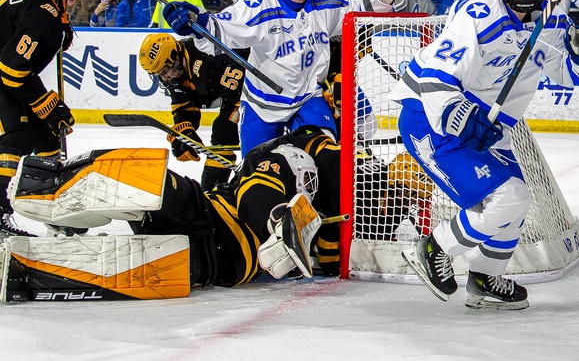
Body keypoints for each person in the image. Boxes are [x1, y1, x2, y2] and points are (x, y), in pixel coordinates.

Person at [391, 0, 579, 310]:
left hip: (489, 128)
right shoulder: (477, 14)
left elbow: (570, 74)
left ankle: (485, 277)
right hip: (431, 117)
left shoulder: (553, 22)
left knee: (516, 201)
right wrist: (457, 115)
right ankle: (436, 246)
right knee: (508, 197)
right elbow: (436, 75)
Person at [8, 125, 348, 296]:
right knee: (125, 249)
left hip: (207, 227)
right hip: (215, 258)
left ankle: (42, 193)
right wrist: (277, 220)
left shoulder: (282, 164)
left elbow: (254, 196)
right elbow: (257, 198)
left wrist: (279, 221)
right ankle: (32, 260)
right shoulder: (290, 168)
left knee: (142, 181)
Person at [162, 0, 403, 154]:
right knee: (257, 175)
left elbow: (369, 7)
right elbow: (220, 30)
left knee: (325, 159)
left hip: (308, 99)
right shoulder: (259, 3)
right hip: (261, 106)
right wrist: (193, 21)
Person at [0, 0, 86, 235]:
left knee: (48, 140)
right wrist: (45, 103)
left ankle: (51, 206)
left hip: (12, 70)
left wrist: (62, 30)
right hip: (4, 72)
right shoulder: (39, 15)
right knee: (17, 138)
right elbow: (11, 70)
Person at [138, 33, 243, 191]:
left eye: (165, 71)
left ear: (176, 56)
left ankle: (252, 175)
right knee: (222, 134)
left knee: (224, 129)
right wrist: (184, 130)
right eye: (159, 74)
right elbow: (183, 104)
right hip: (233, 94)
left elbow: (241, 99)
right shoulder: (175, 69)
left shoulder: (209, 61)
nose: (165, 79)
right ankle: (209, 194)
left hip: (251, 93)